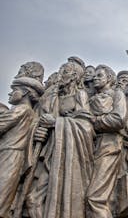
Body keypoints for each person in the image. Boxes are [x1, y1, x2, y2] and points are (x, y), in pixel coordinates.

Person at [28, 61, 95, 218]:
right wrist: (38, 129)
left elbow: (85, 126)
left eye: (64, 72)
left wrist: (56, 122)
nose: (60, 75)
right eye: (59, 71)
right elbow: (36, 118)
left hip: (67, 155)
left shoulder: (81, 95)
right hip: (48, 151)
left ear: (74, 76)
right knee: (32, 200)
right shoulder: (52, 96)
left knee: (34, 199)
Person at [0, 77, 44, 217]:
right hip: (13, 156)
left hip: (9, 155)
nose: (10, 93)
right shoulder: (30, 112)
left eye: (15, 90)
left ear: (25, 92)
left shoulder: (21, 109)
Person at [86, 65, 127, 218]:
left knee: (95, 197)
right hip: (90, 144)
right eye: (94, 75)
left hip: (109, 145)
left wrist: (94, 121)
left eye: (99, 75)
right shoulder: (89, 97)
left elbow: (119, 119)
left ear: (109, 78)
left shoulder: (117, 95)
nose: (95, 78)